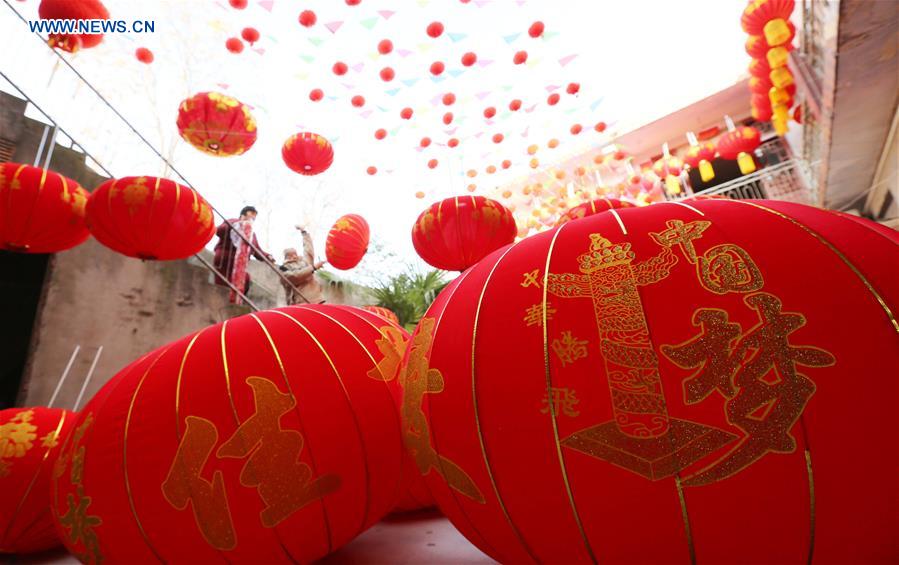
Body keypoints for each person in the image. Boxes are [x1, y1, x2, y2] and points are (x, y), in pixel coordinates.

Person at [212, 206, 274, 299]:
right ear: (242, 215)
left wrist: (267, 256)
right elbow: (219, 231)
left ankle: (236, 302)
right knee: (223, 286)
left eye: (254, 216)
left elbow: (257, 250)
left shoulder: (251, 233)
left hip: (240, 264)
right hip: (225, 259)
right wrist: (236, 225)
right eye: (251, 214)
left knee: (245, 279)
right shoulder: (232, 222)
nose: (253, 218)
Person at [280, 225, 325, 304]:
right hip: (300, 301)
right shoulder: (284, 268)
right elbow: (294, 276)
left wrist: (304, 233)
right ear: (287, 257)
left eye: (295, 253)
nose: (294, 256)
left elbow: (308, 251)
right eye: (291, 254)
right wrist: (313, 268)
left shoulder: (303, 262)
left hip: (316, 299)